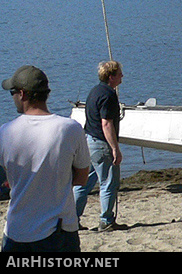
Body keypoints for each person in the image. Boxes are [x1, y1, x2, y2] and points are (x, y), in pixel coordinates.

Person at [0, 65, 90, 252]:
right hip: (59, 229)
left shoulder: (5, 132)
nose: (14, 98)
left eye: (13, 93)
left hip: (17, 230)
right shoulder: (70, 129)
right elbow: (82, 178)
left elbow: (6, 178)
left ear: (23, 94)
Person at [74, 61, 124, 232]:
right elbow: (106, 124)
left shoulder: (94, 91)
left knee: (83, 183)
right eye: (119, 74)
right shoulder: (108, 95)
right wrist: (115, 148)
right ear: (111, 77)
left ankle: (71, 219)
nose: (122, 77)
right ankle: (106, 220)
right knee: (108, 183)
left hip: (88, 140)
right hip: (102, 144)